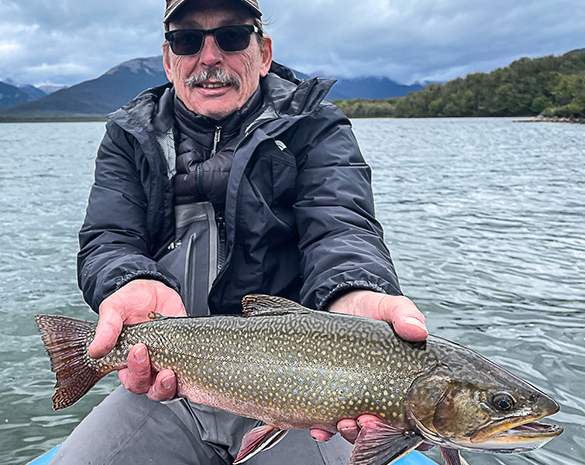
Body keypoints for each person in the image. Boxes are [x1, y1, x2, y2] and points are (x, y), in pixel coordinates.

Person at [52, 0, 428, 463]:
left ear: (263, 52)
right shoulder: (129, 135)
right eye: (188, 40)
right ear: (169, 60)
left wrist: (351, 295)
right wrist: (129, 283)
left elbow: (341, 228)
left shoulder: (316, 126)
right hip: (172, 382)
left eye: (231, 36)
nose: (209, 57)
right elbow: (110, 238)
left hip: (307, 391)